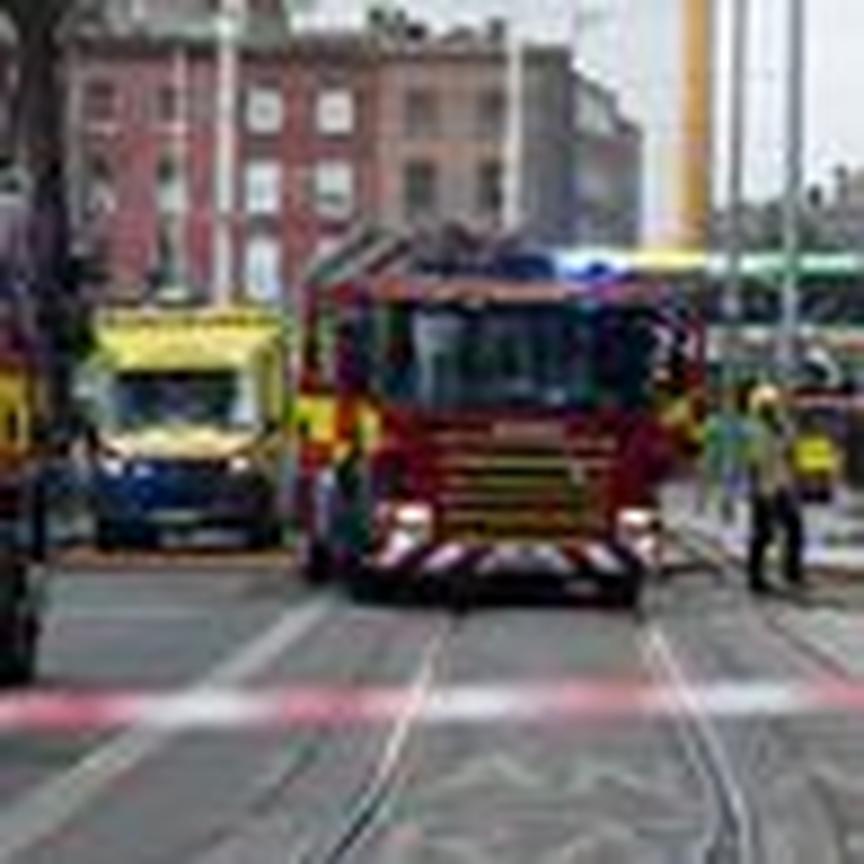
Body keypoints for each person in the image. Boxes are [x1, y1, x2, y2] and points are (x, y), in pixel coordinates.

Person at [745, 383, 806, 595]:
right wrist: (761, 492)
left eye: (774, 405)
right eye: (768, 406)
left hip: (783, 485)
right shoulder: (755, 431)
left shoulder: (780, 427)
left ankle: (792, 571)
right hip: (765, 488)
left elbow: (791, 449)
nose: (772, 410)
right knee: (763, 533)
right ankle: (755, 577)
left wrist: (786, 430)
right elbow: (755, 464)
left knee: (794, 527)